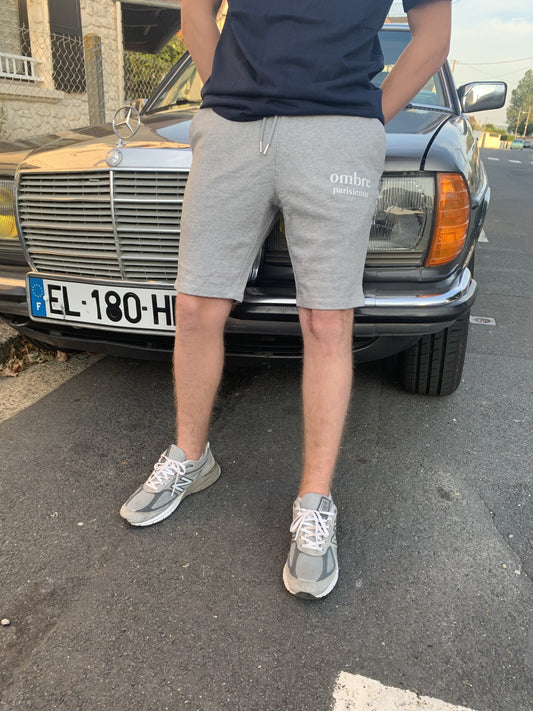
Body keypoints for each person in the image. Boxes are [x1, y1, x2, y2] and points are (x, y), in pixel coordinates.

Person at [121, 0, 453, 599]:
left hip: (338, 131)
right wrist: (227, 96)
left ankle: (315, 500)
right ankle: (191, 457)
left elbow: (433, 37)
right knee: (195, 306)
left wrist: (365, 117)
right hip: (233, 128)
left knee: (327, 320)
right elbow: (196, 11)